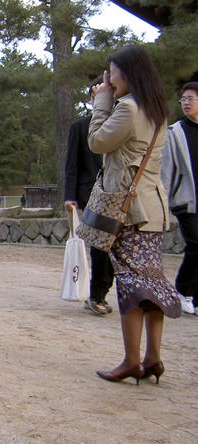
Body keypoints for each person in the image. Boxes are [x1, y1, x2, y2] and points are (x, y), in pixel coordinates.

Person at [88, 45, 180, 385]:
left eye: (112, 73)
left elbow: (98, 141)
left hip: (129, 210)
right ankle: (153, 356)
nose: (108, 80)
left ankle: (131, 360)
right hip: (153, 209)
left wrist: (101, 101)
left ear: (126, 75)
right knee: (151, 283)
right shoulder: (157, 108)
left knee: (130, 283)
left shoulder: (127, 108)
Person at [64, 77, 115, 316]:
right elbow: (71, 164)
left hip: (117, 192)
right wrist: (69, 196)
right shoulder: (80, 126)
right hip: (89, 192)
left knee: (114, 247)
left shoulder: (119, 124)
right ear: (91, 99)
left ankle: (104, 290)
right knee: (99, 245)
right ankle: (97, 294)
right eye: (96, 96)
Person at [161, 81, 198, 316]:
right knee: (196, 245)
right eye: (183, 99)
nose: (185, 103)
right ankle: (182, 291)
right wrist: (162, 205)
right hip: (186, 200)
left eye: (190, 99)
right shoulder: (175, 133)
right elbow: (165, 171)